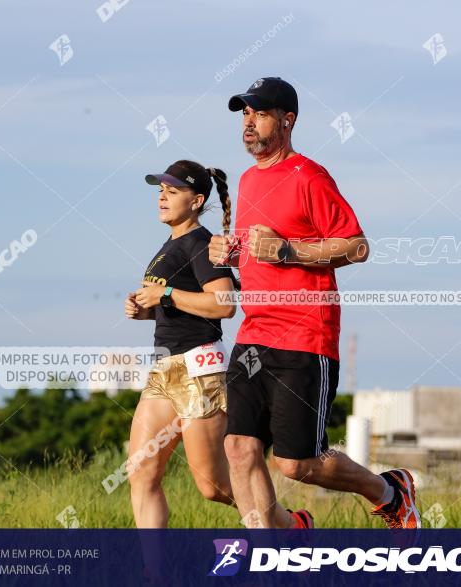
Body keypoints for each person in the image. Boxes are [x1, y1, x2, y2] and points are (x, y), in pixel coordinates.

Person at [211, 77, 420, 529]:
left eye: (260, 113)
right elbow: (257, 248)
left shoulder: (310, 176)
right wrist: (231, 253)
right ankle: (271, 554)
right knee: (238, 449)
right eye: (244, 114)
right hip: (254, 332)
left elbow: (356, 246)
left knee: (297, 464)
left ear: (287, 121)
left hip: (304, 334)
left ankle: (390, 492)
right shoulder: (248, 180)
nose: (249, 123)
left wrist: (290, 251)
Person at [125, 159, 311, 529]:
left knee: (214, 486)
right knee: (141, 472)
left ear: (196, 201)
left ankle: (290, 527)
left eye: (172, 192)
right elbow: (177, 305)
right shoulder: (169, 245)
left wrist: (167, 295)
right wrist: (146, 308)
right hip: (164, 369)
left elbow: (224, 304)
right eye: (160, 191)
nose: (162, 198)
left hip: (200, 369)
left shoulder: (203, 244)